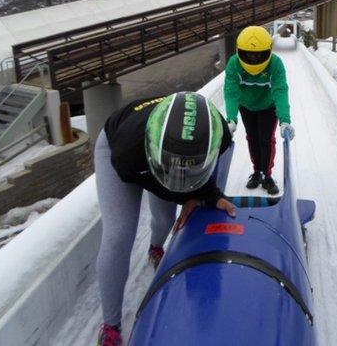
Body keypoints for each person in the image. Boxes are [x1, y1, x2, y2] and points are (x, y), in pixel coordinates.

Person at [94, 91, 236, 346]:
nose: (179, 182)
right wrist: (196, 195)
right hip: (125, 149)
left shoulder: (222, 136)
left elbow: (201, 177)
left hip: (158, 151)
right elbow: (160, 186)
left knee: (164, 220)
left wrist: (205, 194)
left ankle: (155, 246)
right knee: (119, 234)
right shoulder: (127, 156)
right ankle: (110, 324)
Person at [224, 25, 295, 195]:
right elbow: (231, 92)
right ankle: (257, 172)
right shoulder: (234, 64)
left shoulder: (275, 64)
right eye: (249, 54)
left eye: (258, 54)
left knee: (266, 139)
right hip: (246, 106)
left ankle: (267, 175)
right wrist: (231, 119)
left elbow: (280, 91)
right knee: (252, 138)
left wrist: (285, 120)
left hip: (268, 107)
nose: (254, 58)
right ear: (240, 51)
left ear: (268, 51)